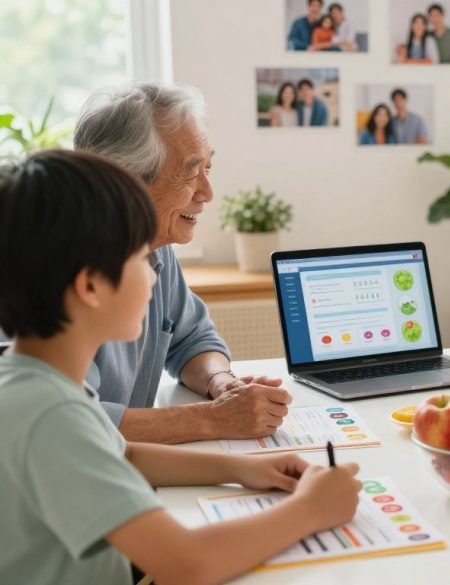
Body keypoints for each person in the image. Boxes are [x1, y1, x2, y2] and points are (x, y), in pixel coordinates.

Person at [0, 150, 363, 584]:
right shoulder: (50, 414)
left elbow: (123, 454)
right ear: (91, 285)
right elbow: (188, 564)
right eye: (140, 258)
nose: (155, 275)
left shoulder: (35, 381)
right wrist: (310, 510)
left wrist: (241, 468)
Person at [70, 82, 292, 443]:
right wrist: (214, 420)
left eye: (209, 167)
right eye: (191, 172)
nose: (207, 192)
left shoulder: (155, 247)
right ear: (126, 179)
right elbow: (73, 426)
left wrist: (222, 383)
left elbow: (192, 337)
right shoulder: (53, 269)